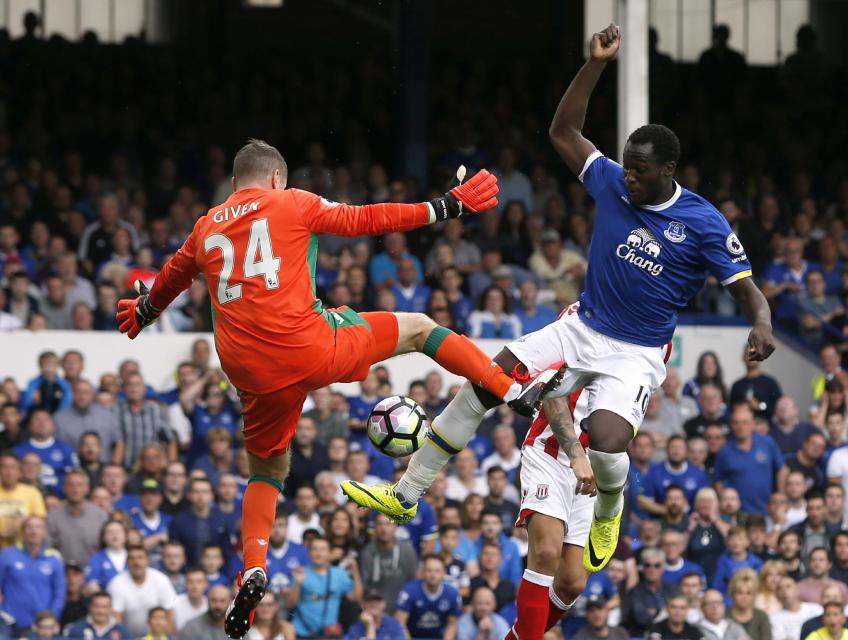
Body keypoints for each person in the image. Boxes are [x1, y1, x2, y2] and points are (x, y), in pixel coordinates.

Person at [347, 24, 776, 580]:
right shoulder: (613, 183)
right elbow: (563, 130)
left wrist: (761, 324)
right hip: (581, 326)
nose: (628, 176)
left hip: (637, 351)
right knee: (486, 379)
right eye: (625, 164)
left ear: (668, 172)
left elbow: (745, 289)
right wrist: (595, 64)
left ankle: (610, 507)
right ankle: (408, 492)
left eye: (640, 171)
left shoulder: (703, 222)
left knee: (606, 440)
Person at [115, 140, 558, 638]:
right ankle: (510, 388)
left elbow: (170, 279)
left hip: (249, 372)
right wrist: (445, 206)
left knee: (266, 469)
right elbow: (364, 219)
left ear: (235, 184)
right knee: (417, 328)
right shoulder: (291, 202)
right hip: (307, 347)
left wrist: (146, 310)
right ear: (277, 178)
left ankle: (255, 565)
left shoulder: (205, 225)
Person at [505, 393, 595, 639]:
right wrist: (577, 455)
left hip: (596, 466)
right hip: (549, 453)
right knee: (545, 553)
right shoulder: (578, 354)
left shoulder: (642, 361)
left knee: (572, 582)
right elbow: (553, 396)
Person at [714, 403, 786, 515]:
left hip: (767, 510)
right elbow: (718, 481)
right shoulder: (725, 451)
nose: (740, 427)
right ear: (731, 425)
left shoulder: (767, 442)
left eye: (745, 422)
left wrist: (781, 495)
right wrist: (726, 503)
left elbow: (782, 469)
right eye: (736, 423)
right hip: (738, 513)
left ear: (753, 424)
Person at [0, 516, 66, 636]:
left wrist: (52, 617)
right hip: (9, 621)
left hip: (42, 625)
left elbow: (60, 592)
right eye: (29, 527)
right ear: (23, 532)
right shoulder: (7, 555)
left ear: (45, 532)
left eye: (38, 527)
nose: (33, 531)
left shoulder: (53, 559)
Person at [287, 536, 359, 638]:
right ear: (309, 552)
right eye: (315, 549)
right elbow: (290, 605)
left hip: (329, 634)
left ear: (329, 553)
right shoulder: (301, 572)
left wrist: (355, 572)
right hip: (302, 632)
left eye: (322, 549)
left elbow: (355, 597)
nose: (318, 553)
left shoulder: (339, 574)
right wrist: (298, 584)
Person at [106, 545, 177, 638]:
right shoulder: (116, 584)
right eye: (132, 558)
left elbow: (169, 615)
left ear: (147, 561)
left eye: (140, 558)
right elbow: (115, 621)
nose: (137, 562)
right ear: (127, 563)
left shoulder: (161, 580)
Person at [46, 469, 108, 567]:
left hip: (94, 574)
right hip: (64, 574)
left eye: (79, 485)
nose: (75, 489)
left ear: (87, 488)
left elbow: (107, 550)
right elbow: (48, 550)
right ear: (64, 488)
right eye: (71, 485)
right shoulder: (53, 517)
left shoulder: (100, 516)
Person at [360, 513, 418, 611]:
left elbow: (413, 583)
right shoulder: (367, 552)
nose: (384, 529)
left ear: (396, 527)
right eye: (380, 524)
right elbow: (365, 586)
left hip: (402, 610)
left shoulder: (407, 551)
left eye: (388, 524)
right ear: (374, 528)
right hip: (375, 610)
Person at [396, 554, 462, 640]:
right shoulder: (409, 591)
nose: (433, 575)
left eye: (437, 571)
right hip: (412, 637)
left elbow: (452, 624)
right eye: (429, 570)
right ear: (423, 572)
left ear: (444, 572)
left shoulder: (452, 594)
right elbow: (400, 622)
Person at [63, 590, 131, 639]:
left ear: (111, 609)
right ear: (90, 607)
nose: (100, 611)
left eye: (104, 607)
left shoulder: (122, 631)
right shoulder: (76, 629)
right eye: (96, 606)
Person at [727, 569, 772, 640]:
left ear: (754, 595)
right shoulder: (724, 616)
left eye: (748, 593)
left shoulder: (762, 617)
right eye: (739, 592)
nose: (744, 597)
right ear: (732, 594)